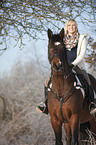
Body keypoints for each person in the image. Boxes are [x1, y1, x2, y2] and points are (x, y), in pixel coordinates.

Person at [36, 19, 96, 115]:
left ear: (76, 27)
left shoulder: (81, 38)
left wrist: (72, 64)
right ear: (66, 27)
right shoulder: (62, 39)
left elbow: (81, 55)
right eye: (69, 26)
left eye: (73, 25)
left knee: (87, 79)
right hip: (63, 67)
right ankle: (45, 104)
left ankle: (92, 103)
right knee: (47, 81)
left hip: (76, 66)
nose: (71, 27)